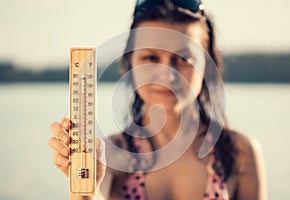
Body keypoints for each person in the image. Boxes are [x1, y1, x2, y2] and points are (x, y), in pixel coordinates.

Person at [48, 0, 267, 199]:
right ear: (130, 63)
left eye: (183, 58)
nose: (167, 74)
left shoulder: (239, 153)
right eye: (151, 57)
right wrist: (85, 187)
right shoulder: (110, 155)